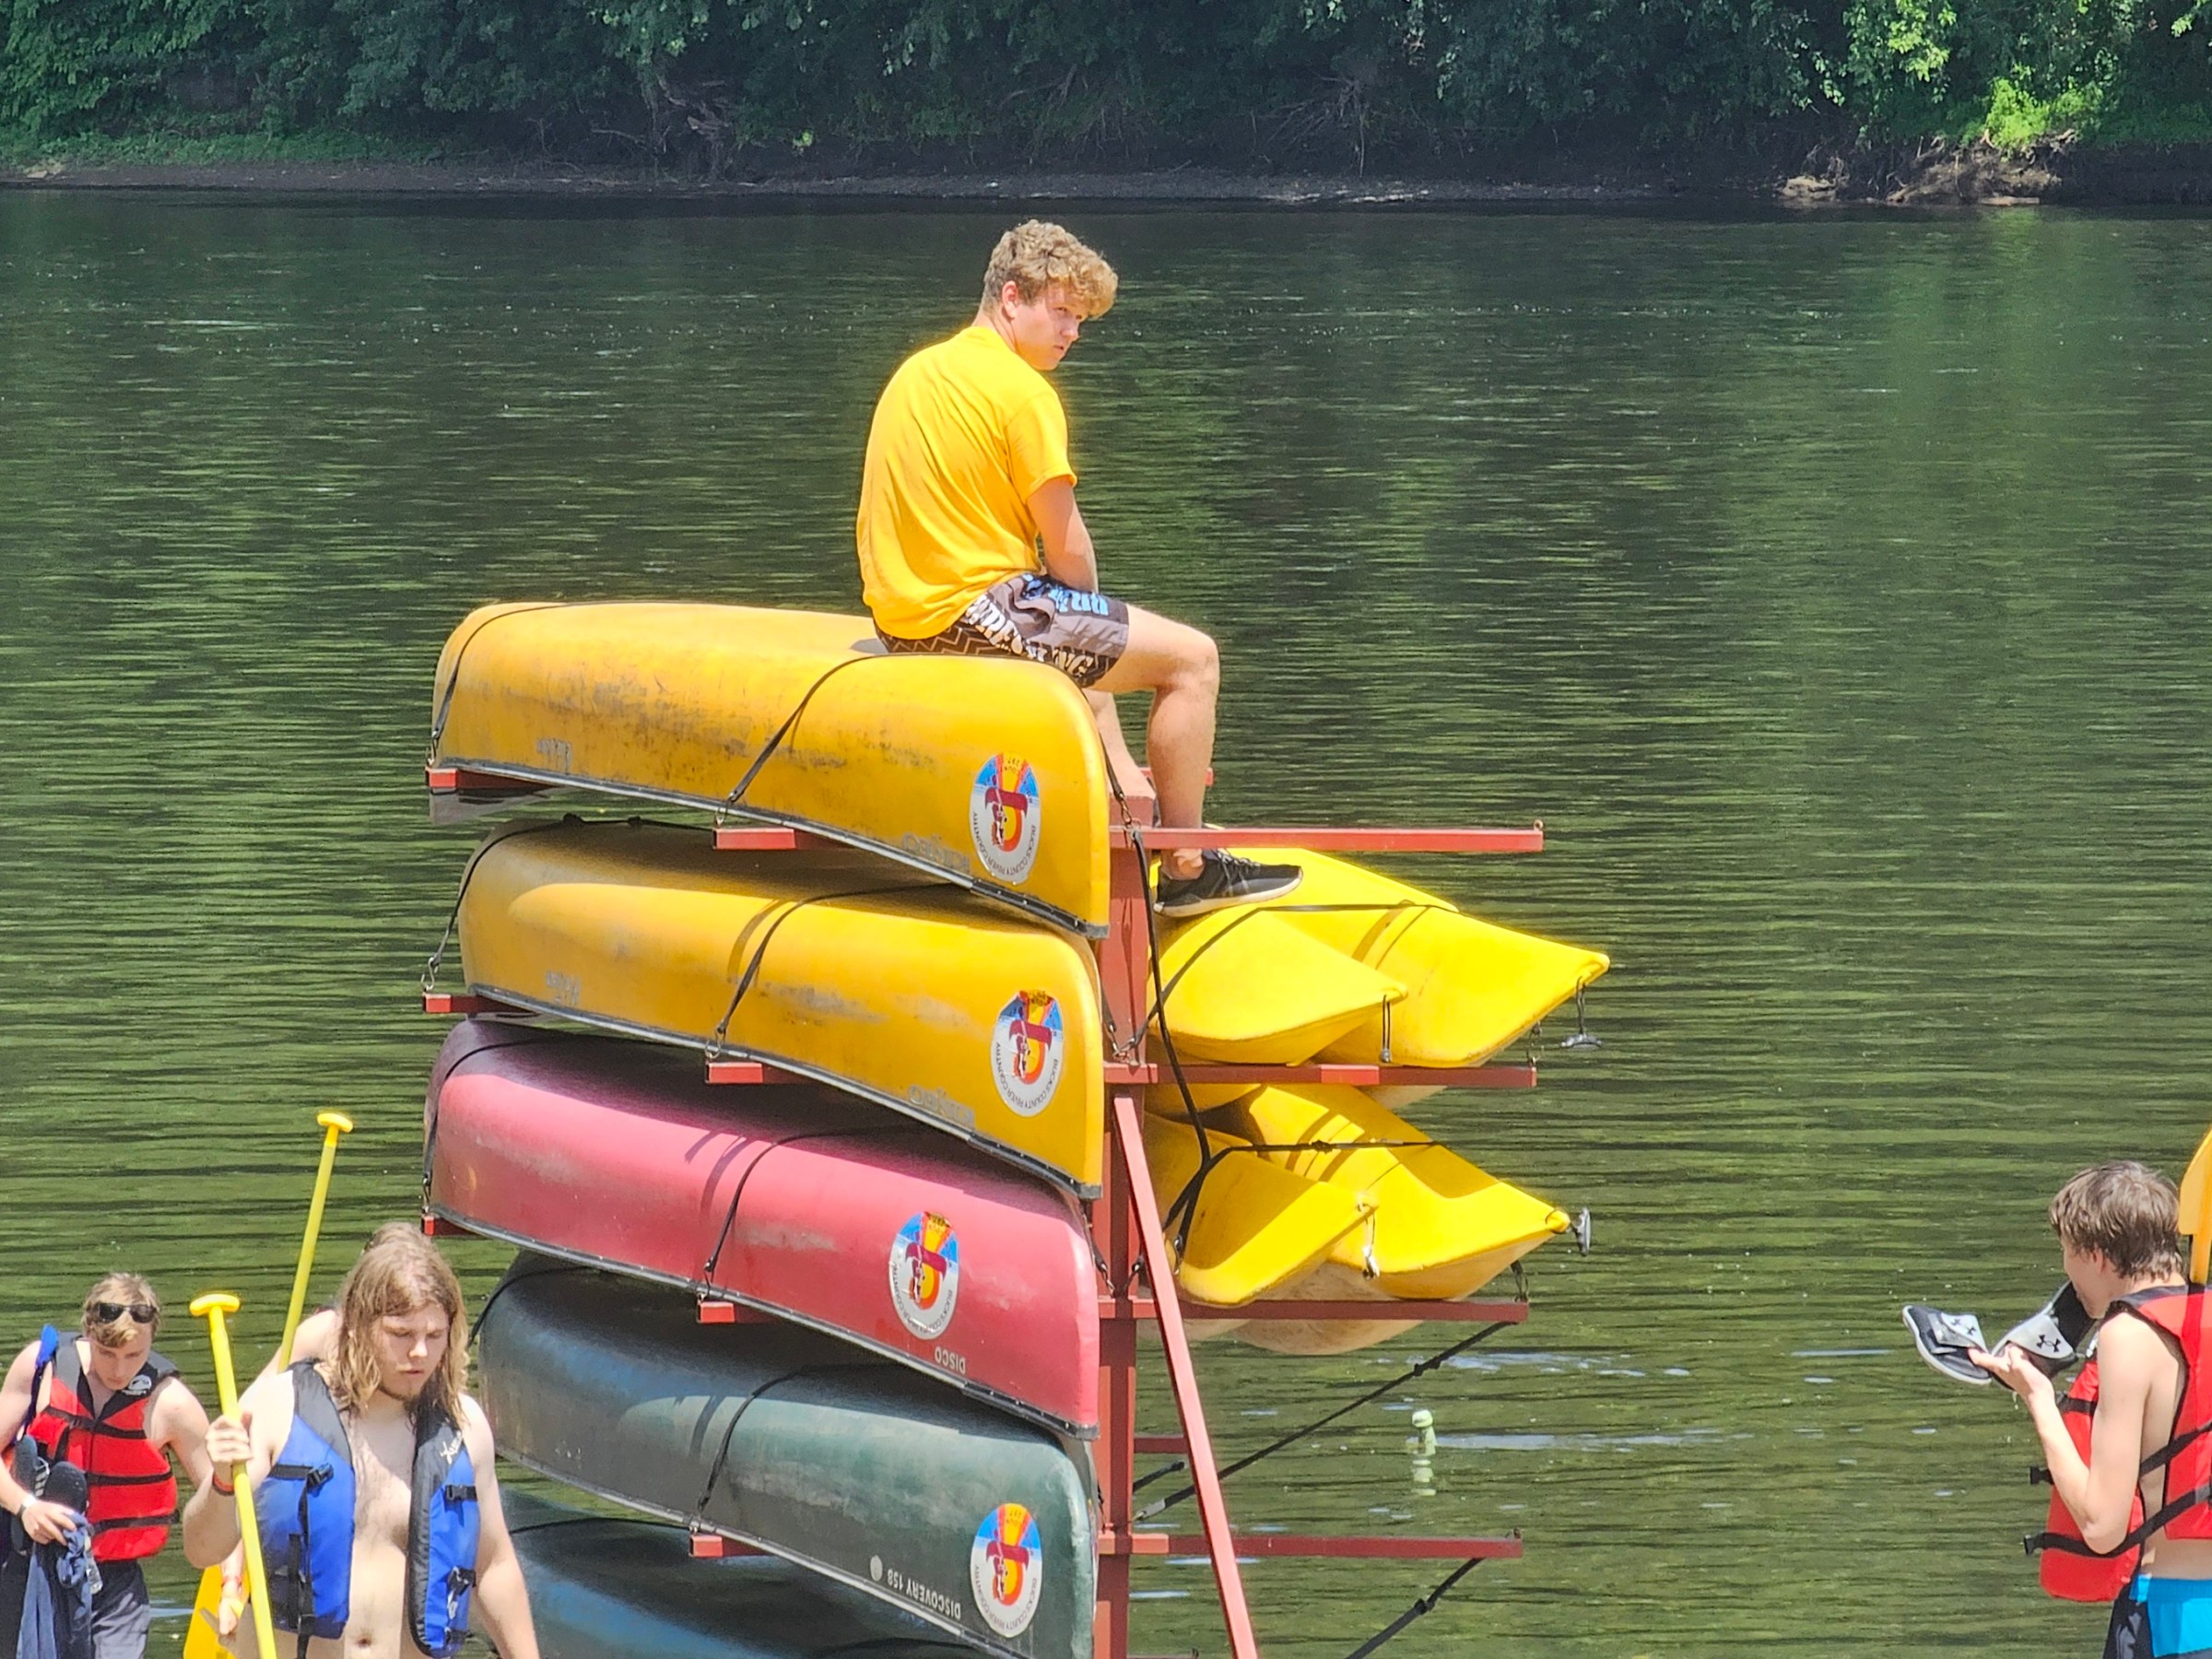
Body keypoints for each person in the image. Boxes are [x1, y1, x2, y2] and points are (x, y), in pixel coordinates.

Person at [854, 218, 1303, 918]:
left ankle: (1123, 799)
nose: (1071, 332)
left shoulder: (920, 372)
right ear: (1011, 298)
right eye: (1060, 312)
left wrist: (1088, 630)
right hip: (973, 613)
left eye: (1081, 319)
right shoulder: (1023, 393)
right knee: (1191, 661)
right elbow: (1069, 548)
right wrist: (1092, 615)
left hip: (904, 623)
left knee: (1086, 639)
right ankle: (1188, 866)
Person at [185, 1227, 538, 1659]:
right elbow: (201, 1549)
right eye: (401, 1334)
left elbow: (494, 1567)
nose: (421, 1354)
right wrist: (222, 1480)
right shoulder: (282, 1408)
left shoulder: (463, 1428)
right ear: (355, 1326)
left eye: (435, 1335)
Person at [1975, 1161, 2212, 1657]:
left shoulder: (2128, 1337)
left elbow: (2103, 1528)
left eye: (2066, 1253)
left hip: (2170, 1616)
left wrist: (2038, 1396)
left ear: (2097, 1256)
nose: (2066, 1271)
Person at [0, 1274, 216, 1659]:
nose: (119, 1370)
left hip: (115, 1583)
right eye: (106, 1353)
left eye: (134, 1356)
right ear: (87, 1334)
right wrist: (24, 1505)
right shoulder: (40, 1369)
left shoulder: (172, 1406)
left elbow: (224, 1500)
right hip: (26, 1562)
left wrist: (232, 1578)